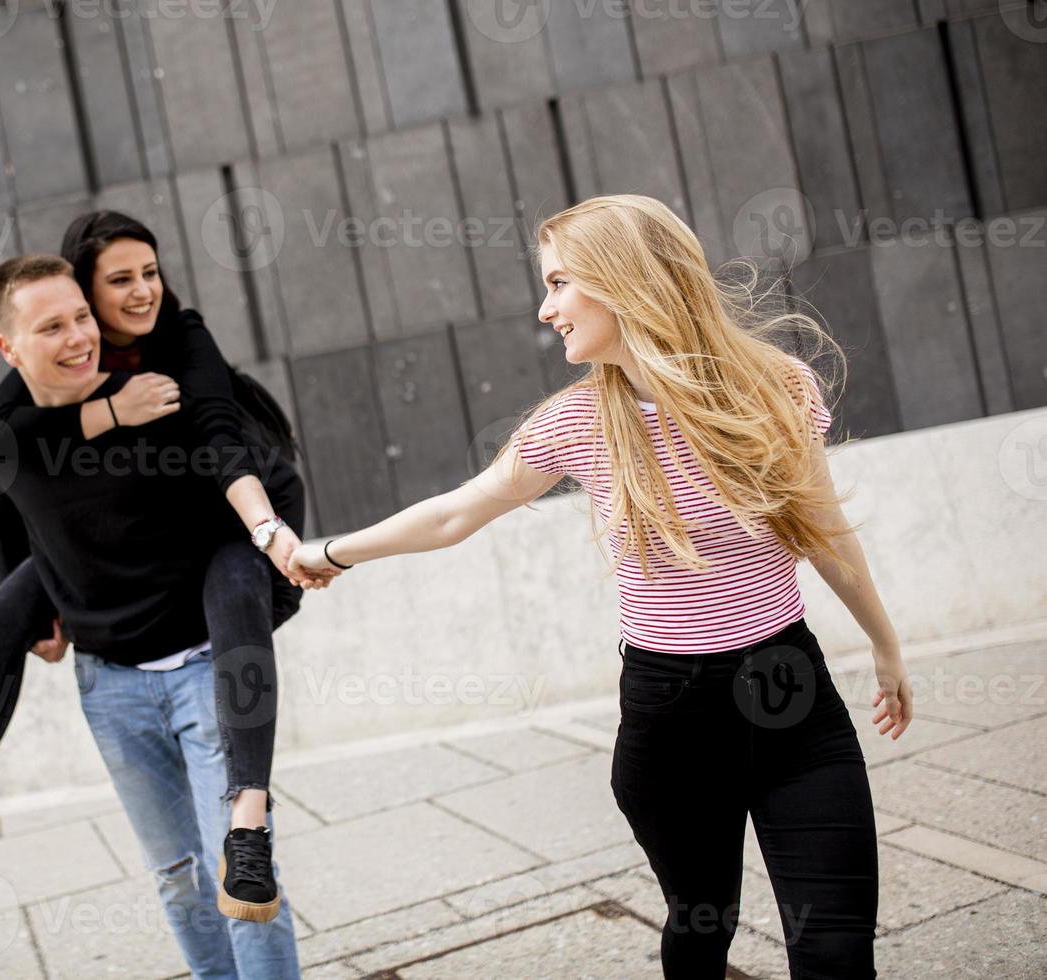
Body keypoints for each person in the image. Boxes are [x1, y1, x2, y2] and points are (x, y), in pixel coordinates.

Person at [290, 194, 913, 979]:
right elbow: (458, 513)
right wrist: (335, 552)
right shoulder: (579, 421)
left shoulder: (776, 388)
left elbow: (824, 532)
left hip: (792, 698)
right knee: (701, 926)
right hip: (671, 719)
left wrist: (886, 647)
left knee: (835, 948)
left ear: (623, 279)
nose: (544, 307)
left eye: (558, 283)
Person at [0, 252, 311, 977]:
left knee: (238, 871)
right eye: (50, 328)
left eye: (80, 319)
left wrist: (271, 569)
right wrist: (41, 616)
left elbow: (268, 475)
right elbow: (11, 529)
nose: (77, 339)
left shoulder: (157, 397)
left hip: (204, 666)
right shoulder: (9, 437)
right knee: (175, 873)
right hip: (113, 685)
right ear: (9, 348)